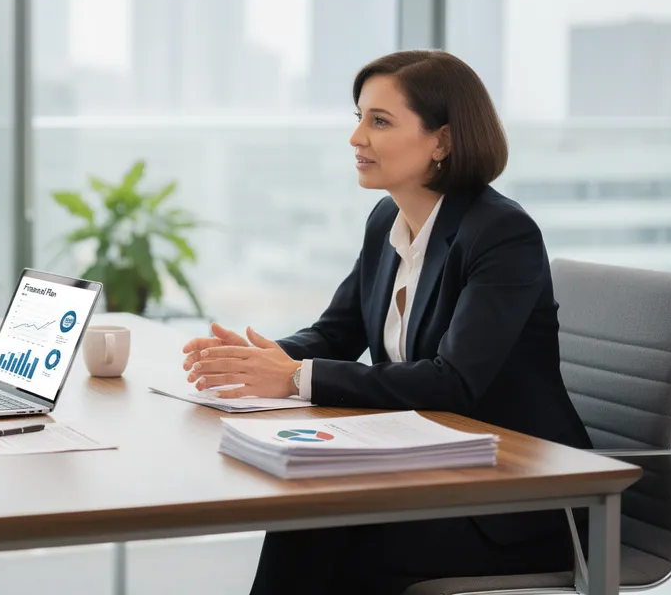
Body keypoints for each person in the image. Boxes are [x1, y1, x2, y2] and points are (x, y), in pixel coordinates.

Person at [182, 50, 591, 595]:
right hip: (430, 472)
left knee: (327, 533)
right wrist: (254, 363)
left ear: (441, 141)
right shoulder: (388, 221)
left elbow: (454, 382)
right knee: (309, 519)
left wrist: (293, 377)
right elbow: (335, 334)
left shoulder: (502, 234)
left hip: (518, 501)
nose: (356, 138)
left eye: (379, 121)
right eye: (358, 117)